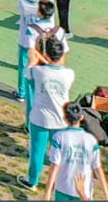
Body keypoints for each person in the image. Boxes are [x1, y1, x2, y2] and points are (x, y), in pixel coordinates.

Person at [20, 36, 74, 192]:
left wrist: (34, 56)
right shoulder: (69, 74)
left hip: (40, 118)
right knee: (59, 155)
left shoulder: (38, 72)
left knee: (37, 151)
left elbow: (28, 71)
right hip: (61, 120)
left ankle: (32, 181)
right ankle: (59, 183)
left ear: (46, 54)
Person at [42, 103, 108, 202]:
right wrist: (106, 193)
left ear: (65, 118)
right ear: (81, 117)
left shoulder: (59, 137)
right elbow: (97, 168)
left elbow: (55, 166)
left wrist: (48, 191)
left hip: (63, 187)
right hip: (84, 190)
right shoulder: (91, 140)